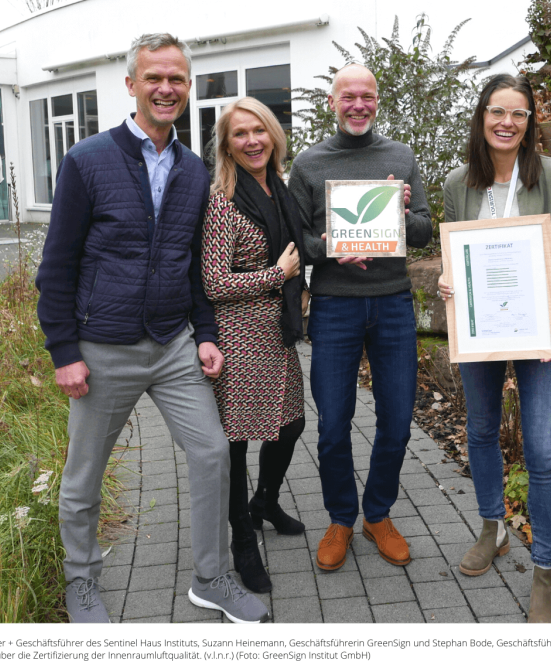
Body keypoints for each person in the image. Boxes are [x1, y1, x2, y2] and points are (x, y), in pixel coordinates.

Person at [35, 33, 268, 624]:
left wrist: (208, 335)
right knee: (84, 475)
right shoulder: (87, 160)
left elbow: (192, 266)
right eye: (154, 78)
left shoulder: (193, 171)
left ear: (189, 88)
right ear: (132, 84)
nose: (166, 89)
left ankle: (211, 578)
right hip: (101, 349)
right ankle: (82, 584)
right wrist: (64, 349)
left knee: (214, 452)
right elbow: (57, 266)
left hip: (172, 345)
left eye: (177, 80)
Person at [437, 74, 551, 622]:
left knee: (543, 450)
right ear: (482, 117)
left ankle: (545, 574)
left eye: (519, 114)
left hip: (537, 330)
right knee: (479, 430)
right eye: (497, 111)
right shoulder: (460, 182)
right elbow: (457, 255)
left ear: (530, 123)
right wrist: (447, 281)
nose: (507, 122)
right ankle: (493, 527)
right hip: (481, 329)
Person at [287, 63, 432, 571]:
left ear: (377, 100)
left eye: (366, 96)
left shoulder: (400, 156)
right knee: (333, 424)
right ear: (332, 102)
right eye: (348, 96)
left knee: (396, 421)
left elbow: (422, 233)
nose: (358, 105)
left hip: (392, 303)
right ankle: (341, 518)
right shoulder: (308, 164)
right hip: (334, 307)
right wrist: (327, 248)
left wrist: (405, 210)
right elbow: (297, 241)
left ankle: (378, 513)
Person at [201, 98, 309, 594]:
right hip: (241, 335)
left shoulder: (278, 186)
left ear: (273, 135)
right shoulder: (223, 199)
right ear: (226, 145)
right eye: (240, 134)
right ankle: (242, 543)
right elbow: (215, 282)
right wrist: (278, 275)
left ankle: (264, 501)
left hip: (277, 330)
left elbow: (298, 246)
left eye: (259, 130)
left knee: (291, 424)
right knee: (238, 443)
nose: (252, 141)